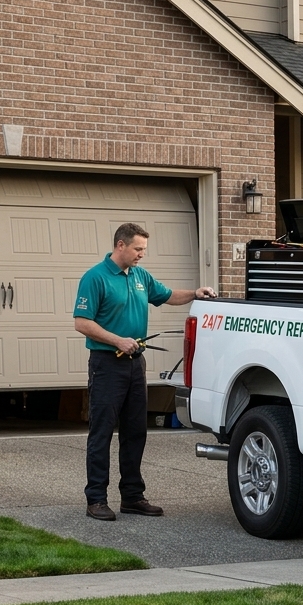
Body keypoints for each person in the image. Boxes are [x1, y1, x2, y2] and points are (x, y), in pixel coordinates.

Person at [73, 223, 216, 520]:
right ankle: (96, 499)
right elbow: (82, 323)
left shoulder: (141, 276)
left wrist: (195, 293)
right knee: (101, 433)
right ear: (121, 245)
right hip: (106, 365)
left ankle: (132, 497)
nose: (141, 255)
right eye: (138, 249)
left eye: (144, 250)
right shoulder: (95, 278)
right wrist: (117, 340)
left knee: (135, 431)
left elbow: (166, 295)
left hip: (135, 365)